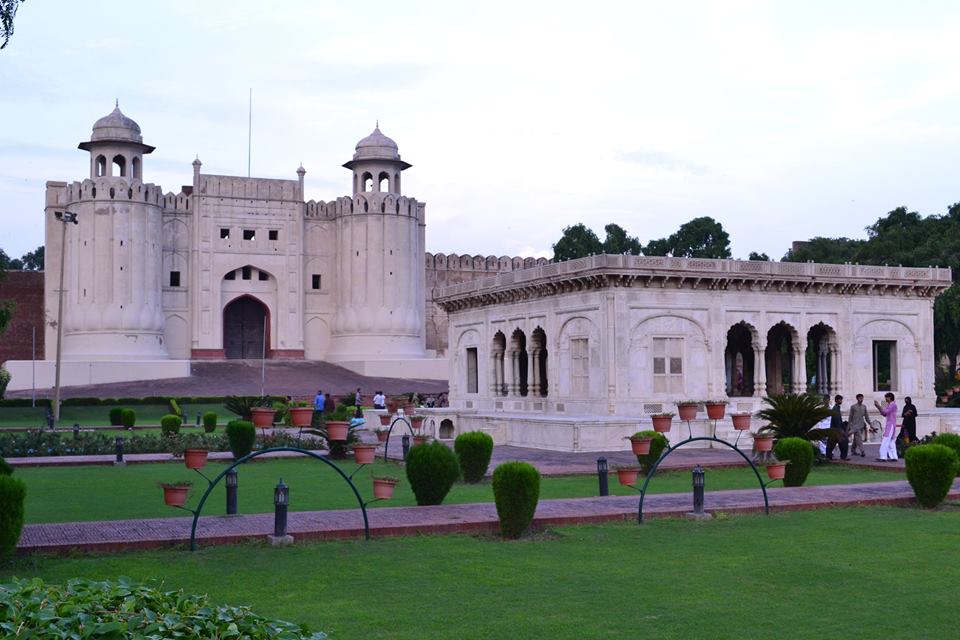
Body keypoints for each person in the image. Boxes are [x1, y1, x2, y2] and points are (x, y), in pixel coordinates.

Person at [875, 393, 899, 461]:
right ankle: (893, 456)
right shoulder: (889, 405)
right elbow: (884, 414)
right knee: (891, 441)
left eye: (886, 397)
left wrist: (879, 406)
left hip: (890, 424)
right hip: (890, 424)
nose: (885, 399)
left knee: (886, 440)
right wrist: (878, 407)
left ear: (890, 397)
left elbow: (885, 411)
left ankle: (883, 456)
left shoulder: (893, 405)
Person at [826, 395, 848, 461]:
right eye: (839, 400)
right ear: (836, 400)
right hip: (836, 430)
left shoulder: (837, 408)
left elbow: (839, 420)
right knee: (843, 442)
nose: (840, 401)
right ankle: (830, 457)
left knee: (833, 444)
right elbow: (837, 420)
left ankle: (830, 456)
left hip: (836, 430)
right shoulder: (835, 409)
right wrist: (840, 430)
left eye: (841, 400)